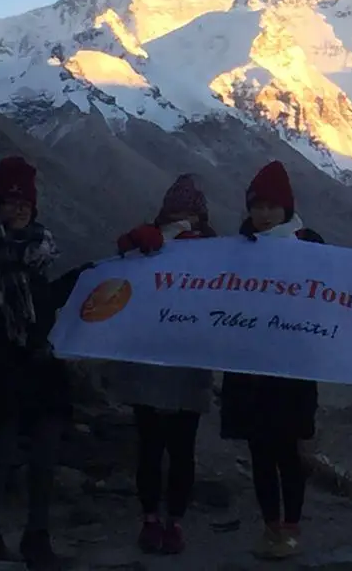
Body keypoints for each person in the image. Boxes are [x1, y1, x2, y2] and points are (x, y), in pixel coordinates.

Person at [0, 156, 87, 570]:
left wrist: (87, 277)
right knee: (0, 449)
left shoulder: (35, 250)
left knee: (45, 451)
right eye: (10, 201)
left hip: (39, 365)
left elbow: (41, 303)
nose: (19, 209)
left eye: (25, 202)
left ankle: (37, 537)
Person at [108, 173, 218, 555]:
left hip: (187, 361)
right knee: (153, 447)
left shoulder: (215, 251)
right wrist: (133, 245)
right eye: (174, 212)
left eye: (188, 212)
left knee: (180, 449)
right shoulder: (146, 244)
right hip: (152, 360)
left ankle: (173, 521)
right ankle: (153, 518)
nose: (180, 219)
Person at [219, 160, 323, 560]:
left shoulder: (310, 245)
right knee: (260, 450)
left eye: (271, 206)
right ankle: (270, 526)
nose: (263, 214)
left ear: (286, 208)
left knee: (288, 450)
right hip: (250, 366)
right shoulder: (238, 248)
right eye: (257, 206)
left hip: (292, 367)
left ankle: (291, 526)